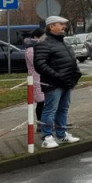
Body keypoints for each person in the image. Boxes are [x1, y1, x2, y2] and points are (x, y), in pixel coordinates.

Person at [33, 16, 82, 148]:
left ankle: (62, 135)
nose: (64, 27)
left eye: (64, 24)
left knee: (63, 109)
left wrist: (76, 74)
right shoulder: (44, 43)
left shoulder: (62, 42)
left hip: (66, 82)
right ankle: (47, 137)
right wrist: (57, 76)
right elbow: (39, 64)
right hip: (53, 84)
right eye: (60, 24)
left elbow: (72, 59)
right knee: (50, 110)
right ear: (51, 26)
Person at [23, 27, 45, 125]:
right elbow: (37, 63)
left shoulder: (39, 46)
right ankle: (40, 124)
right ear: (36, 36)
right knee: (41, 102)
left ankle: (47, 123)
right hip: (36, 79)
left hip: (43, 77)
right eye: (43, 36)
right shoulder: (31, 49)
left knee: (46, 102)